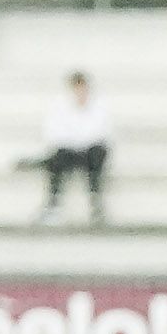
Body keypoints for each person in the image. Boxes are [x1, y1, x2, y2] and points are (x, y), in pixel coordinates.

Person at [36, 71, 110, 228]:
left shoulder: (99, 106)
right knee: (58, 158)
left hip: (88, 151)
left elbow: (102, 134)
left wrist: (80, 141)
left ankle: (95, 202)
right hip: (69, 151)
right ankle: (53, 204)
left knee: (98, 154)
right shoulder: (60, 107)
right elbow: (54, 134)